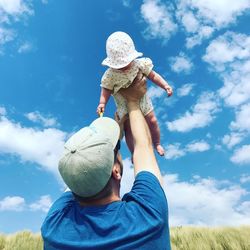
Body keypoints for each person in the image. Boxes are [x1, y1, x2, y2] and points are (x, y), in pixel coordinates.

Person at [41, 77, 171, 250]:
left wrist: (113, 143)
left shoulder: (53, 228)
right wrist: (133, 102)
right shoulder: (148, 215)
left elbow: (78, 172)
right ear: (116, 171)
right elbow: (144, 148)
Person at [97, 31, 173, 156]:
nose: (122, 67)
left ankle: (157, 143)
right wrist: (102, 102)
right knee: (128, 130)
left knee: (153, 121)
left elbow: (153, 76)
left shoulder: (140, 64)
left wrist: (165, 86)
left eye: (125, 63)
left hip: (143, 100)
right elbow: (106, 89)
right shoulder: (110, 75)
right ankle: (134, 153)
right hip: (123, 105)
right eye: (119, 65)